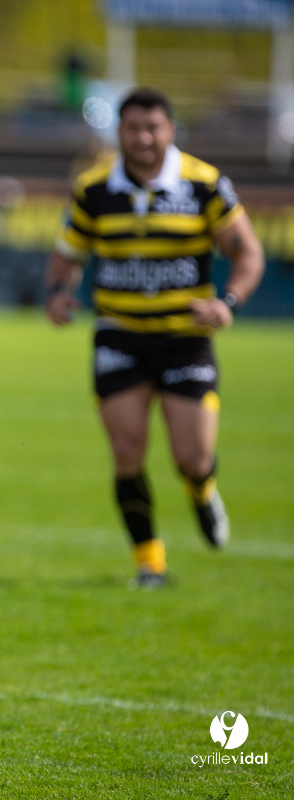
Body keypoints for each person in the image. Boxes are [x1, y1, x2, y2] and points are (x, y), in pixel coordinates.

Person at [44, 87, 265, 589]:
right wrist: (59, 291)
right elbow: (68, 252)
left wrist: (227, 303)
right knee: (127, 451)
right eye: (133, 129)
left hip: (186, 338)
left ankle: (202, 488)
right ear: (118, 132)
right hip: (119, 336)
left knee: (192, 456)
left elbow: (248, 253)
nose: (143, 138)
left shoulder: (205, 185)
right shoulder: (94, 189)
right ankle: (150, 563)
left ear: (170, 130)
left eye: (153, 128)